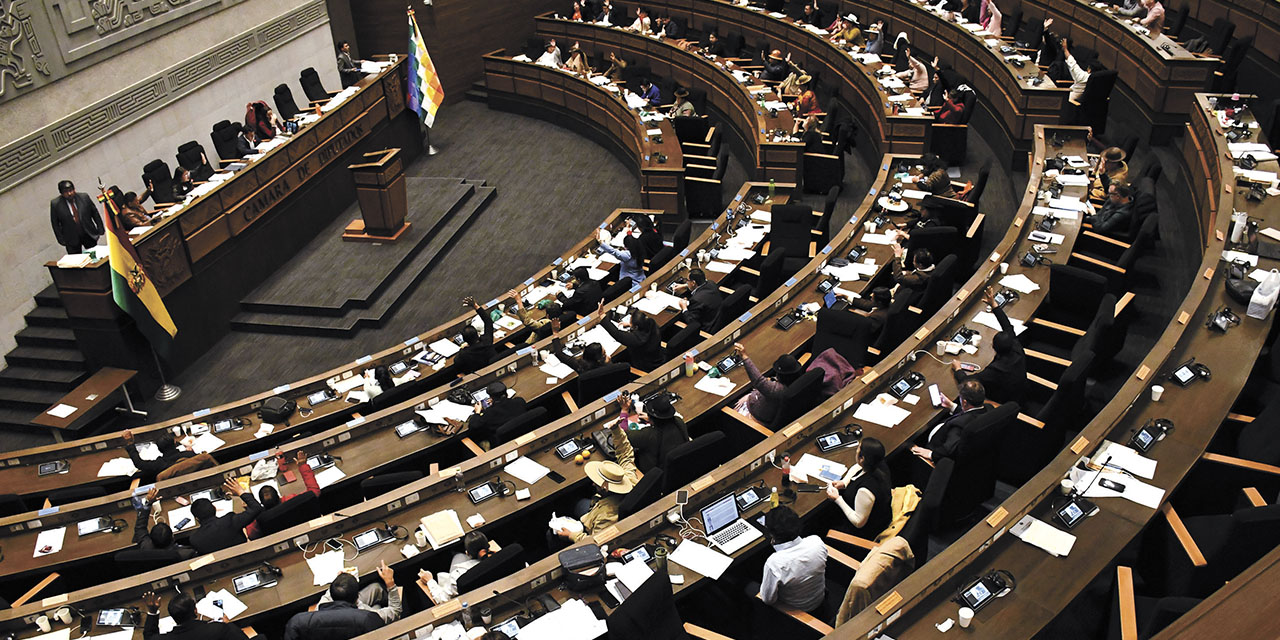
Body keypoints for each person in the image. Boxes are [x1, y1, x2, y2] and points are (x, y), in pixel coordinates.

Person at [556, 395, 641, 542]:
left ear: (605, 489)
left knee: (557, 528)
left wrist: (571, 535)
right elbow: (626, 454)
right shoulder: (629, 478)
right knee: (575, 502)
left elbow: (595, 542)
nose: (593, 484)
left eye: (597, 482)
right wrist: (616, 430)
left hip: (594, 518)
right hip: (598, 505)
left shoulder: (606, 517)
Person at [283, 564, 402, 640]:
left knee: (375, 588)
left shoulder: (313, 613)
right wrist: (390, 583)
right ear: (357, 598)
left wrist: (341, 580)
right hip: (359, 621)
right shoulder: (367, 616)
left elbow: (331, 592)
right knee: (376, 606)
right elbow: (395, 611)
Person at [952, 289, 1026, 403]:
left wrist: (958, 369)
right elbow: (1007, 326)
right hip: (1020, 390)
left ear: (994, 348)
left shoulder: (995, 370)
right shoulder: (1016, 347)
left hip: (1003, 399)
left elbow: (967, 381)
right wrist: (994, 305)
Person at [757, 506, 827, 612]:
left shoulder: (775, 563)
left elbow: (768, 600)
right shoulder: (816, 542)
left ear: (771, 534)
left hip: (796, 611)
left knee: (748, 586)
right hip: (819, 598)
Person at [825, 437, 892, 536]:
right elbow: (857, 466)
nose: (856, 450)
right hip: (881, 514)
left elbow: (858, 522)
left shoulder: (865, 490)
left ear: (862, 458)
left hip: (865, 530)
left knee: (823, 519)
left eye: (858, 448)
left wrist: (837, 499)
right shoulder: (879, 465)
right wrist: (844, 482)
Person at [246, 450, 319, 539]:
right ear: (279, 496)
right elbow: (314, 491)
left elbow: (251, 535)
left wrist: (250, 509)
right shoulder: (292, 500)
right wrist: (303, 466)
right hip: (310, 532)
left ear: (261, 503)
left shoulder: (259, 519)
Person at [911, 379, 990, 461]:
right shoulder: (988, 409)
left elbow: (948, 450)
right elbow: (972, 414)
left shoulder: (958, 426)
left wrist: (930, 454)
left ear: (965, 402)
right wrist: (951, 406)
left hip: (934, 447)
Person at [732, 343, 805, 425]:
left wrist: (744, 356)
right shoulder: (801, 380)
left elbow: (758, 381)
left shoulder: (776, 390)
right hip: (765, 405)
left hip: (757, 417)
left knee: (732, 406)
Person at [188, 477, 264, 554]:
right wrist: (240, 492)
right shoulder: (229, 521)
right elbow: (256, 508)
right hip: (245, 554)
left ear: (197, 519)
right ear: (214, 508)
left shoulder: (195, 539)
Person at [420, 531, 495, 601]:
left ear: (467, 553)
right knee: (459, 556)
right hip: (488, 588)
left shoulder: (458, 576)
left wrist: (430, 581)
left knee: (457, 556)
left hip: (468, 598)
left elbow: (442, 599)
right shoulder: (497, 558)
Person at [142, 591, 248, 640]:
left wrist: (152, 612)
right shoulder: (218, 628)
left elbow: (149, 637)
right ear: (195, 611)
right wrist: (229, 625)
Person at [627, 394, 690, 472]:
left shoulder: (649, 434)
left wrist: (624, 410)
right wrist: (652, 419)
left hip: (655, 474)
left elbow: (625, 437)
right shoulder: (678, 421)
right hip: (678, 467)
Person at [131, 487, 197, 559]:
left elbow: (140, 527)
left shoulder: (146, 547)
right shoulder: (185, 553)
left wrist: (148, 503)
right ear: (173, 538)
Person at [456, 380, 528, 446]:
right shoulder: (519, 401)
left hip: (502, 444)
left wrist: (477, 412)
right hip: (523, 436)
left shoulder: (489, 413)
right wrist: (495, 403)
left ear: (491, 397)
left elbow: (473, 426)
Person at [600, 307, 664, 371]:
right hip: (657, 358)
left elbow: (617, 334)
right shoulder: (652, 323)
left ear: (636, 327)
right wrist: (631, 325)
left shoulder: (637, 339)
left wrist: (602, 315)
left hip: (646, 367)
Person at [50, 180, 104, 255]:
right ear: (61, 193)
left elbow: (94, 213)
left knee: (95, 256)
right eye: (66, 192)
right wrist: (61, 240)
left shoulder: (84, 197)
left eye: (71, 190)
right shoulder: (55, 204)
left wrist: (100, 228)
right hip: (71, 237)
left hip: (88, 233)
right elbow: (55, 223)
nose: (69, 194)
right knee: (76, 261)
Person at [123, 429, 197, 481]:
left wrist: (130, 443)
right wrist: (191, 451)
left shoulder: (158, 464)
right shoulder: (189, 454)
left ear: (158, 449)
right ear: (174, 442)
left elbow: (139, 464)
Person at [456, 296, 496, 374]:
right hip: (493, 368)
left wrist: (462, 349)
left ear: (464, 340)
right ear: (478, 334)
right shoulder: (487, 340)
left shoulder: (464, 353)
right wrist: (475, 306)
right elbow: (488, 322)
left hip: (478, 375)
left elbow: (456, 364)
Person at [1062, 38, 1091, 104]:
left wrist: (1065, 49)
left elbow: (1071, 62)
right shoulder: (1099, 80)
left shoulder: (1082, 76)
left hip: (1069, 103)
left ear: (1089, 69)